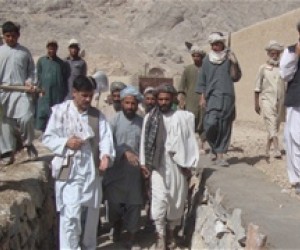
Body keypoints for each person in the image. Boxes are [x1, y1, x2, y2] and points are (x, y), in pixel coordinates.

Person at [42, 75, 115, 250]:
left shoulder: (97, 116)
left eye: (90, 95)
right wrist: (66, 142)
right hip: (69, 172)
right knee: (70, 216)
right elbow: (48, 138)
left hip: (91, 172)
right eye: (84, 95)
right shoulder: (61, 112)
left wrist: (105, 156)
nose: (88, 99)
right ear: (74, 93)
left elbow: (106, 139)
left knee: (91, 216)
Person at [140, 84, 199, 249]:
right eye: (160, 99)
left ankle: (171, 233)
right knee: (158, 201)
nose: (163, 102)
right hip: (157, 165)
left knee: (176, 201)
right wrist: (144, 163)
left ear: (172, 99)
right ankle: (160, 236)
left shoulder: (182, 117)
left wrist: (189, 162)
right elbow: (145, 141)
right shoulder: (150, 117)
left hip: (177, 166)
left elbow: (189, 140)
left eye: (167, 99)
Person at [103, 86, 144, 249]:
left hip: (135, 173)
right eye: (127, 103)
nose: (129, 107)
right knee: (114, 204)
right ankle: (116, 224)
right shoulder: (113, 121)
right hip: (116, 171)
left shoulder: (142, 122)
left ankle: (131, 236)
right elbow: (107, 143)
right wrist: (124, 151)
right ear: (122, 102)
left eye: (133, 104)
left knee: (134, 204)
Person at [196, 32, 242, 166]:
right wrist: (202, 97)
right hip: (212, 97)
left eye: (218, 44)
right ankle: (214, 148)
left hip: (227, 96)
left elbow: (235, 77)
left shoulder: (228, 58)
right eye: (213, 44)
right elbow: (202, 80)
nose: (215, 47)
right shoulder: (206, 60)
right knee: (210, 124)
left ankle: (221, 155)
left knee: (225, 125)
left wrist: (234, 62)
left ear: (222, 44)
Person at [0, 21, 37, 165]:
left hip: (20, 92)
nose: (10, 39)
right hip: (3, 93)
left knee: (26, 118)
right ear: (3, 36)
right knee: (4, 123)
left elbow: (32, 72)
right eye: (7, 36)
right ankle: (7, 152)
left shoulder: (24, 52)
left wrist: (30, 82)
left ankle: (28, 144)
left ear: (18, 36)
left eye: (13, 36)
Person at [255, 40, 285, 159]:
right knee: (271, 122)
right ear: (268, 53)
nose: (274, 55)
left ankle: (267, 147)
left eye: (277, 53)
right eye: (272, 53)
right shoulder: (263, 68)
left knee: (274, 125)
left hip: (280, 101)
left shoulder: (283, 68)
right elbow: (257, 87)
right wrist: (256, 103)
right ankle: (276, 148)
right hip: (267, 100)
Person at [280, 21, 300, 193]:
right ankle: (298, 179)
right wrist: (296, 56)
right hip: (297, 102)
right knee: (295, 139)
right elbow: (285, 75)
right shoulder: (291, 51)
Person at [178, 45, 207, 154]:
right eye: (194, 56)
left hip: (204, 99)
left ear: (202, 57)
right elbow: (182, 85)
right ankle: (190, 145)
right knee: (191, 120)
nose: (196, 58)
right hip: (190, 99)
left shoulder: (206, 69)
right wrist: (181, 98)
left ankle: (202, 145)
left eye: (198, 56)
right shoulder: (188, 69)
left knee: (203, 121)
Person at [35, 40, 68, 132]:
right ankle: (40, 132)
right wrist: (38, 89)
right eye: (50, 48)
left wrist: (63, 93)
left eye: (54, 48)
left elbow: (64, 79)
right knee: (42, 111)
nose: (52, 50)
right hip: (44, 92)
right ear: (47, 48)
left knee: (55, 113)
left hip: (57, 94)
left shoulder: (61, 63)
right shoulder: (41, 61)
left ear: (56, 49)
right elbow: (37, 75)